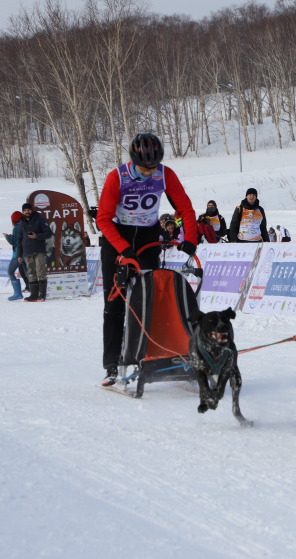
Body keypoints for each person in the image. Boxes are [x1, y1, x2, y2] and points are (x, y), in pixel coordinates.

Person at [96, 133, 197, 386]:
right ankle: (112, 363)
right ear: (133, 161)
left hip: (148, 238)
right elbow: (103, 220)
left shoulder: (165, 175)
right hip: (117, 238)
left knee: (151, 299)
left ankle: (154, 354)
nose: (149, 172)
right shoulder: (116, 177)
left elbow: (185, 207)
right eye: (144, 167)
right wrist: (122, 249)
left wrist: (191, 238)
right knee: (116, 304)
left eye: (153, 167)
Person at [16, 202, 54, 302]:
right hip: (27, 251)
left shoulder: (40, 220)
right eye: (24, 210)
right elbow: (19, 239)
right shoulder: (21, 223)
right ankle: (33, 294)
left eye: (28, 210)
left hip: (39, 250)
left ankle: (42, 295)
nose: (27, 212)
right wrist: (19, 254)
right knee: (31, 273)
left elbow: (49, 233)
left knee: (40, 270)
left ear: (32, 210)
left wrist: (37, 236)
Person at [3, 211, 28, 300]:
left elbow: (13, 241)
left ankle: (17, 293)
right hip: (28, 252)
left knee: (10, 271)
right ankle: (35, 291)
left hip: (18, 253)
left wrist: (7, 237)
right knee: (28, 273)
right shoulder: (26, 224)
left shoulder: (17, 227)